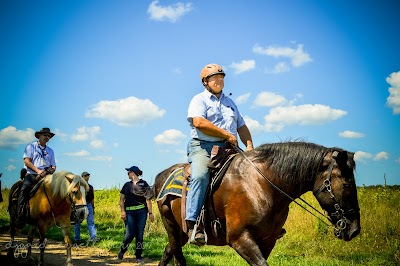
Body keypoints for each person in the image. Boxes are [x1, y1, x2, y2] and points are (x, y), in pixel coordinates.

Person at [186, 63, 254, 245]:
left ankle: (259, 224)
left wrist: (249, 146)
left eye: (222, 77)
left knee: (255, 174)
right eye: (214, 77)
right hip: (203, 147)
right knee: (200, 176)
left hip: (229, 148)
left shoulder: (230, 103)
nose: (219, 80)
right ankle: (193, 225)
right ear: (205, 82)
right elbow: (199, 122)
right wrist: (226, 135)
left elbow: (242, 126)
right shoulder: (199, 100)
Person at [16, 127, 56, 229]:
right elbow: (27, 161)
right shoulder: (31, 147)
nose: (47, 137)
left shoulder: (50, 151)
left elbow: (53, 166)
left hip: (47, 176)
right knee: (24, 188)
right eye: (45, 135)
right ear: (39, 136)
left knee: (60, 190)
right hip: (32, 174)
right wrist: (38, 171)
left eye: (48, 136)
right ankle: (20, 216)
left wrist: (49, 171)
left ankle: (60, 216)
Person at [118, 165, 154, 264]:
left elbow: (148, 199)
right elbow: (121, 200)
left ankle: (138, 257)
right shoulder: (126, 185)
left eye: (128, 172)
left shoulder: (144, 184)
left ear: (133, 173)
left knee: (140, 235)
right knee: (130, 234)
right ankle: (122, 250)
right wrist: (122, 211)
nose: (127, 174)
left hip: (141, 212)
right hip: (129, 212)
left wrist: (150, 213)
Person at [74, 171, 99, 243]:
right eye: (85, 175)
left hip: (89, 205)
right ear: (82, 177)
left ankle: (93, 237)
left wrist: (93, 207)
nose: (87, 177)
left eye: (88, 175)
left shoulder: (90, 187)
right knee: (77, 222)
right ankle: (77, 239)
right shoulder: (78, 187)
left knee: (91, 222)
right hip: (80, 205)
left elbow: (92, 198)